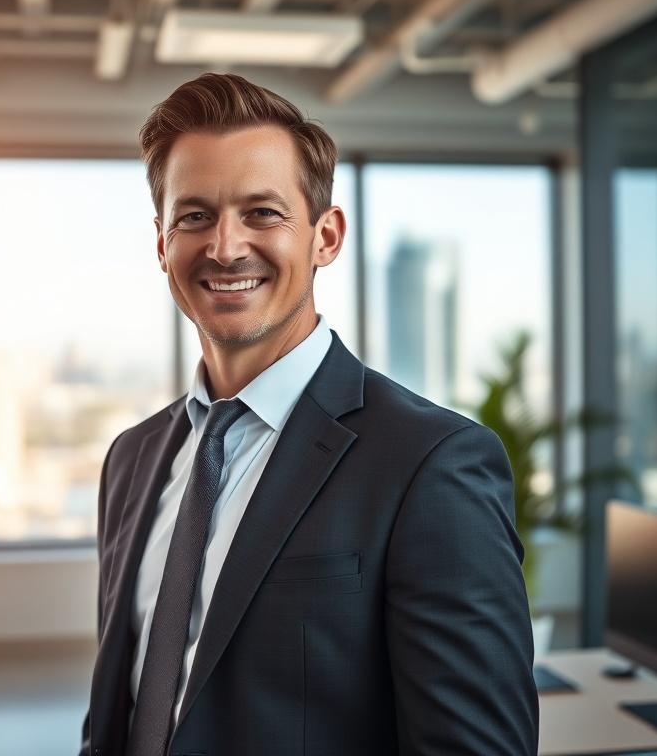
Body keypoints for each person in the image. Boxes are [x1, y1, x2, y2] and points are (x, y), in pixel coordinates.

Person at [80, 73, 538, 756]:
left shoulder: (429, 462)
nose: (226, 247)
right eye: (195, 216)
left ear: (326, 236)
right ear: (161, 244)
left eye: (262, 213)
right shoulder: (132, 458)